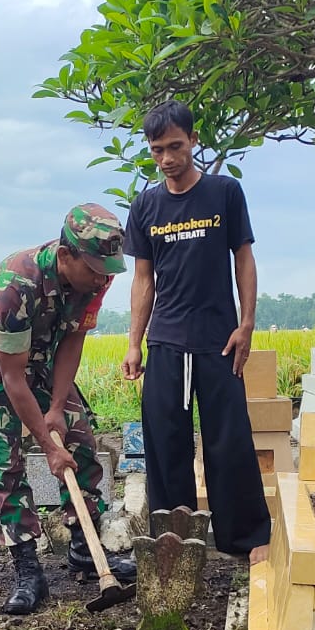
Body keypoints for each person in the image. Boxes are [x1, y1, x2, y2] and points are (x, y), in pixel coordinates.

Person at [0, 203, 138, 614]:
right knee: (7, 460)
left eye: (108, 270)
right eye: (95, 270)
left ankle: (85, 550)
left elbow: (73, 340)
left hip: (45, 354)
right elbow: (12, 379)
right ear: (66, 255)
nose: (103, 279)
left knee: (81, 443)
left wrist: (57, 408)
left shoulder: (98, 275)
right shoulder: (14, 286)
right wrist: (47, 444)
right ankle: (28, 572)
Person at [121, 100, 271, 563]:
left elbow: (243, 258)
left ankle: (245, 539)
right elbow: (143, 279)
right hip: (166, 340)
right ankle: (174, 541)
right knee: (165, 444)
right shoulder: (146, 205)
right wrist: (133, 342)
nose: (167, 158)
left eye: (175, 146)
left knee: (229, 440)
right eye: (157, 150)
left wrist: (246, 324)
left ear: (193, 140)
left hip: (219, 340)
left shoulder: (224, 193)